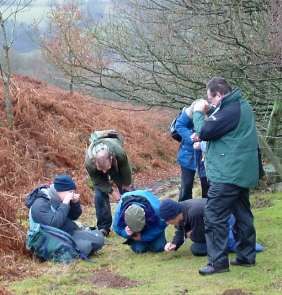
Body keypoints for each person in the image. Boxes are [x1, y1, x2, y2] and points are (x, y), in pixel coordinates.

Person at [192, 77, 260, 275]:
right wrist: (210, 115)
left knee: (213, 215)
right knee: (242, 214)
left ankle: (218, 263)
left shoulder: (230, 109)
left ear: (219, 95)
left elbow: (205, 130)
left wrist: (198, 112)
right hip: (241, 171)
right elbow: (221, 128)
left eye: (210, 99)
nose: (210, 103)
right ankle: (246, 256)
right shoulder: (241, 105)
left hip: (228, 173)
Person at [28, 174, 104, 259]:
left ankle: (78, 248)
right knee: (85, 246)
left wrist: (75, 203)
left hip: (66, 233)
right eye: (70, 192)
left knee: (99, 239)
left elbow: (73, 216)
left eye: (73, 192)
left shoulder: (59, 197)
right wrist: (65, 203)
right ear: (60, 190)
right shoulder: (40, 204)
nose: (72, 194)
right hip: (49, 240)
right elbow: (54, 224)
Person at [159, 199, 263, 256]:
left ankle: (232, 245)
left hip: (227, 223)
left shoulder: (194, 213)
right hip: (218, 224)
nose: (168, 223)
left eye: (167, 220)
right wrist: (174, 244)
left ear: (173, 215)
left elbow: (200, 238)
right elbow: (180, 228)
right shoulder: (181, 209)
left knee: (196, 248)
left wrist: (189, 235)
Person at [85, 131, 132, 237]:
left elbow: (125, 171)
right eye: (102, 169)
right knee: (99, 194)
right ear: (95, 163)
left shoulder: (119, 153)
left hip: (116, 164)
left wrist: (126, 185)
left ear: (111, 158)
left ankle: (132, 219)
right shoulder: (89, 163)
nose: (105, 172)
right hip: (98, 171)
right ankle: (103, 227)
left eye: (107, 169)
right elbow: (98, 182)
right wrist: (112, 191)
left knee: (127, 192)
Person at [175, 103, 209, 201]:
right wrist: (191, 136)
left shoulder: (213, 111)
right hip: (188, 155)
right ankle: (183, 213)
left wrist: (202, 142)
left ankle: (207, 212)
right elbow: (179, 125)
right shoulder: (189, 111)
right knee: (186, 186)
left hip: (204, 155)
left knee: (207, 186)